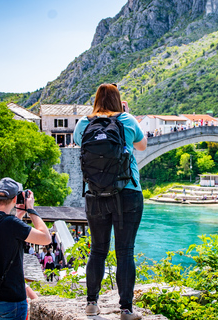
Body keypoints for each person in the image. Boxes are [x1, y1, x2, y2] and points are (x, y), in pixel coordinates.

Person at [73, 83, 147, 320]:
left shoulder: (84, 123)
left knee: (97, 250)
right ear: (119, 100)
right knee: (125, 252)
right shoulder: (127, 120)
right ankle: (125, 309)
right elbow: (142, 146)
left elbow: (78, 143)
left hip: (95, 194)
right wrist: (127, 115)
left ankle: (92, 304)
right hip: (128, 192)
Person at [0, 177, 51, 320]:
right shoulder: (12, 224)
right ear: (15, 199)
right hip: (10, 298)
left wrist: (18, 216)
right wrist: (31, 210)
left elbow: (0, 234)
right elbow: (46, 238)